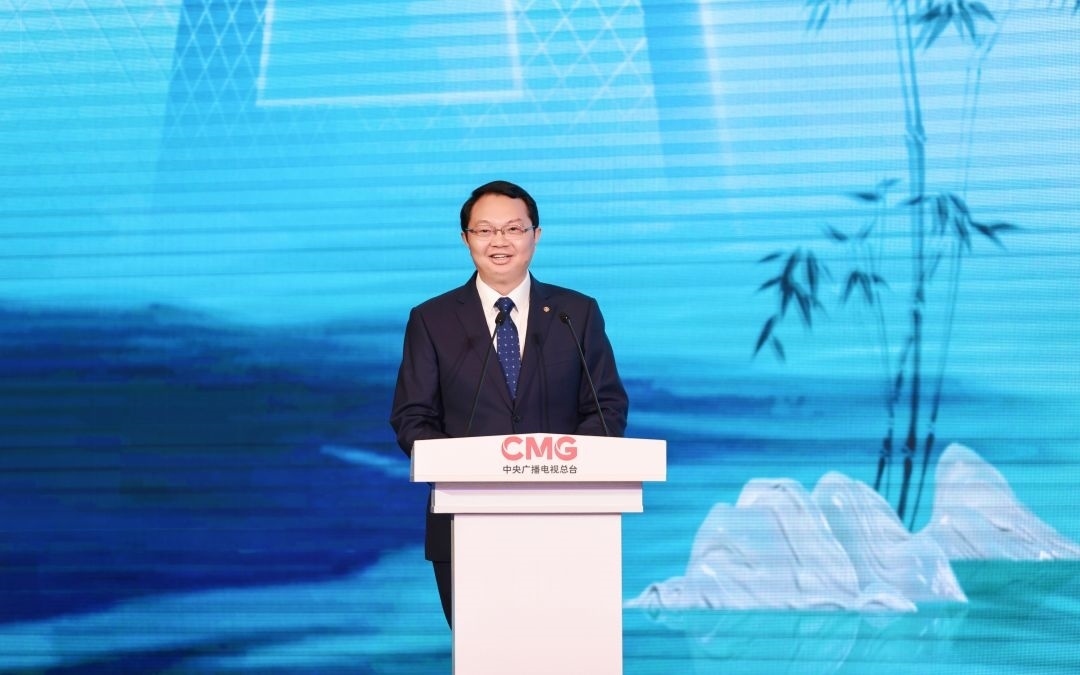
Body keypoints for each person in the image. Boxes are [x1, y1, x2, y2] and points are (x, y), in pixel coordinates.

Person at [389, 179, 629, 628]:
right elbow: (412, 417)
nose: (499, 241)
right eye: (485, 230)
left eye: (513, 229)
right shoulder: (432, 319)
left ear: (536, 235)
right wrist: (469, 467)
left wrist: (565, 470)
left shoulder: (575, 313)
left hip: (567, 523)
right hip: (464, 524)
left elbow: (606, 407)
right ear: (466, 239)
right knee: (484, 651)